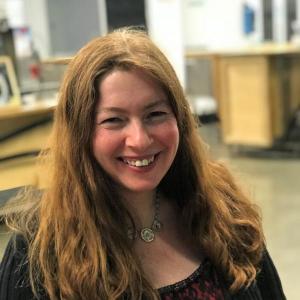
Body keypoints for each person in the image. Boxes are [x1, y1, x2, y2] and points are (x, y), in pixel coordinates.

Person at [0, 27, 285, 300]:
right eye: (114, 120)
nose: (139, 140)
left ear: (179, 119)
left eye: (155, 114)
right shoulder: (36, 252)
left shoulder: (226, 211)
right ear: (80, 134)